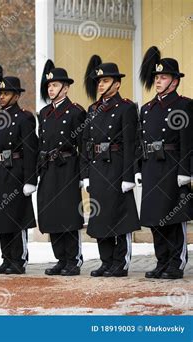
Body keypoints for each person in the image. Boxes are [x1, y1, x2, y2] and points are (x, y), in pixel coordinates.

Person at [137, 46, 192, 279]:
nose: (158, 81)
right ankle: (161, 261)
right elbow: (141, 141)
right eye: (157, 77)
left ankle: (175, 263)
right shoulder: (147, 109)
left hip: (172, 167)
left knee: (173, 217)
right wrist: (139, 168)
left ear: (175, 82)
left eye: (163, 77)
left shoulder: (184, 105)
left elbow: (188, 142)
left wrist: (185, 171)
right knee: (155, 219)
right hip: (151, 167)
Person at [82, 55, 140, 277]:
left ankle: (120, 263)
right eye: (99, 82)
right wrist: (86, 173)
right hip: (97, 168)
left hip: (116, 167)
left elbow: (130, 143)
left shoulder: (126, 108)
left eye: (105, 81)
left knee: (120, 215)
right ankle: (106, 261)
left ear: (117, 83)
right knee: (100, 216)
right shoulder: (93, 109)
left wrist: (128, 175)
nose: (101, 85)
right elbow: (86, 143)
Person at [0, 65, 38, 275]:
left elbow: (30, 150)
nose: (2, 97)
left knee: (16, 218)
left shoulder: (24, 117)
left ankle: (18, 259)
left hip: (16, 172)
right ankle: (6, 258)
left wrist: (30, 179)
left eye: (6, 93)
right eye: (0, 93)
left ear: (16, 95)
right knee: (1, 218)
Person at [38, 60, 86, 276]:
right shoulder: (45, 113)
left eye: (55, 85)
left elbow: (83, 145)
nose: (51, 89)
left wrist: (82, 174)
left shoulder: (76, 112)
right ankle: (60, 259)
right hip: (48, 168)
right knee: (52, 214)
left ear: (66, 88)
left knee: (68, 213)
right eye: (49, 86)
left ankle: (73, 260)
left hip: (68, 167)